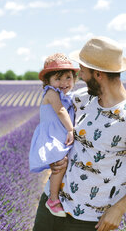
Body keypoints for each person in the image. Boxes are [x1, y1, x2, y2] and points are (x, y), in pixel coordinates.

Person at [32, 37, 126, 231]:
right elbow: (53, 113)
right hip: (52, 205)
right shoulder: (83, 99)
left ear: (98, 74)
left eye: (83, 71)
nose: (81, 77)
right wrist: (52, 153)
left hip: (89, 219)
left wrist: (119, 209)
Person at [29, 53, 80, 218]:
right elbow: (60, 110)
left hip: (59, 134)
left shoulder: (66, 95)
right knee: (60, 163)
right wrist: (71, 130)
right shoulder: (51, 93)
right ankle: (52, 199)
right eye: (58, 79)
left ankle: (60, 195)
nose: (64, 83)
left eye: (68, 78)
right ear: (48, 82)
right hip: (52, 136)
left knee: (64, 165)